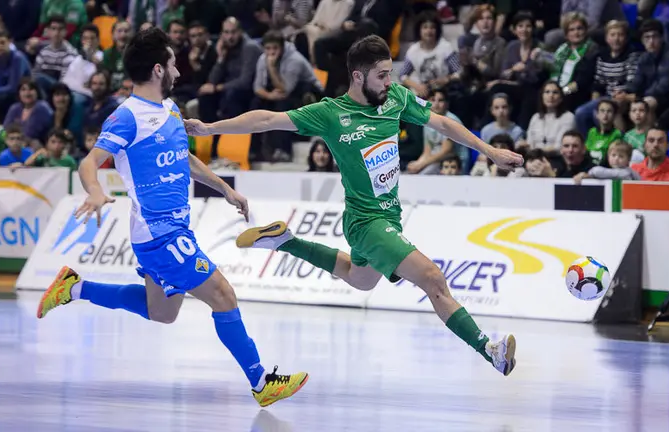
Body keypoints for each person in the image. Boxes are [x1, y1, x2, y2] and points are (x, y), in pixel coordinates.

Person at [185, 35, 524, 377]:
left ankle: (285, 242)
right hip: (367, 223)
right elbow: (266, 120)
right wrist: (211, 128)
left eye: (390, 73)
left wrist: (490, 151)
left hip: (390, 217)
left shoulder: (395, 98)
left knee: (360, 280)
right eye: (382, 75)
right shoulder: (332, 114)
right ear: (359, 76)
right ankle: (489, 349)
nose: (389, 82)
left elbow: (443, 123)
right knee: (433, 280)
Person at [35, 28, 308, 408]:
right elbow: (89, 162)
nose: (179, 73)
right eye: (174, 65)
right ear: (159, 69)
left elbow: (185, 157)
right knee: (223, 295)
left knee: (162, 312)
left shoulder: (170, 110)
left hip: (172, 230)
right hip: (160, 235)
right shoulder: (126, 117)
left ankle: (74, 288)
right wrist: (96, 191)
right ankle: (261, 381)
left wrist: (224, 188)